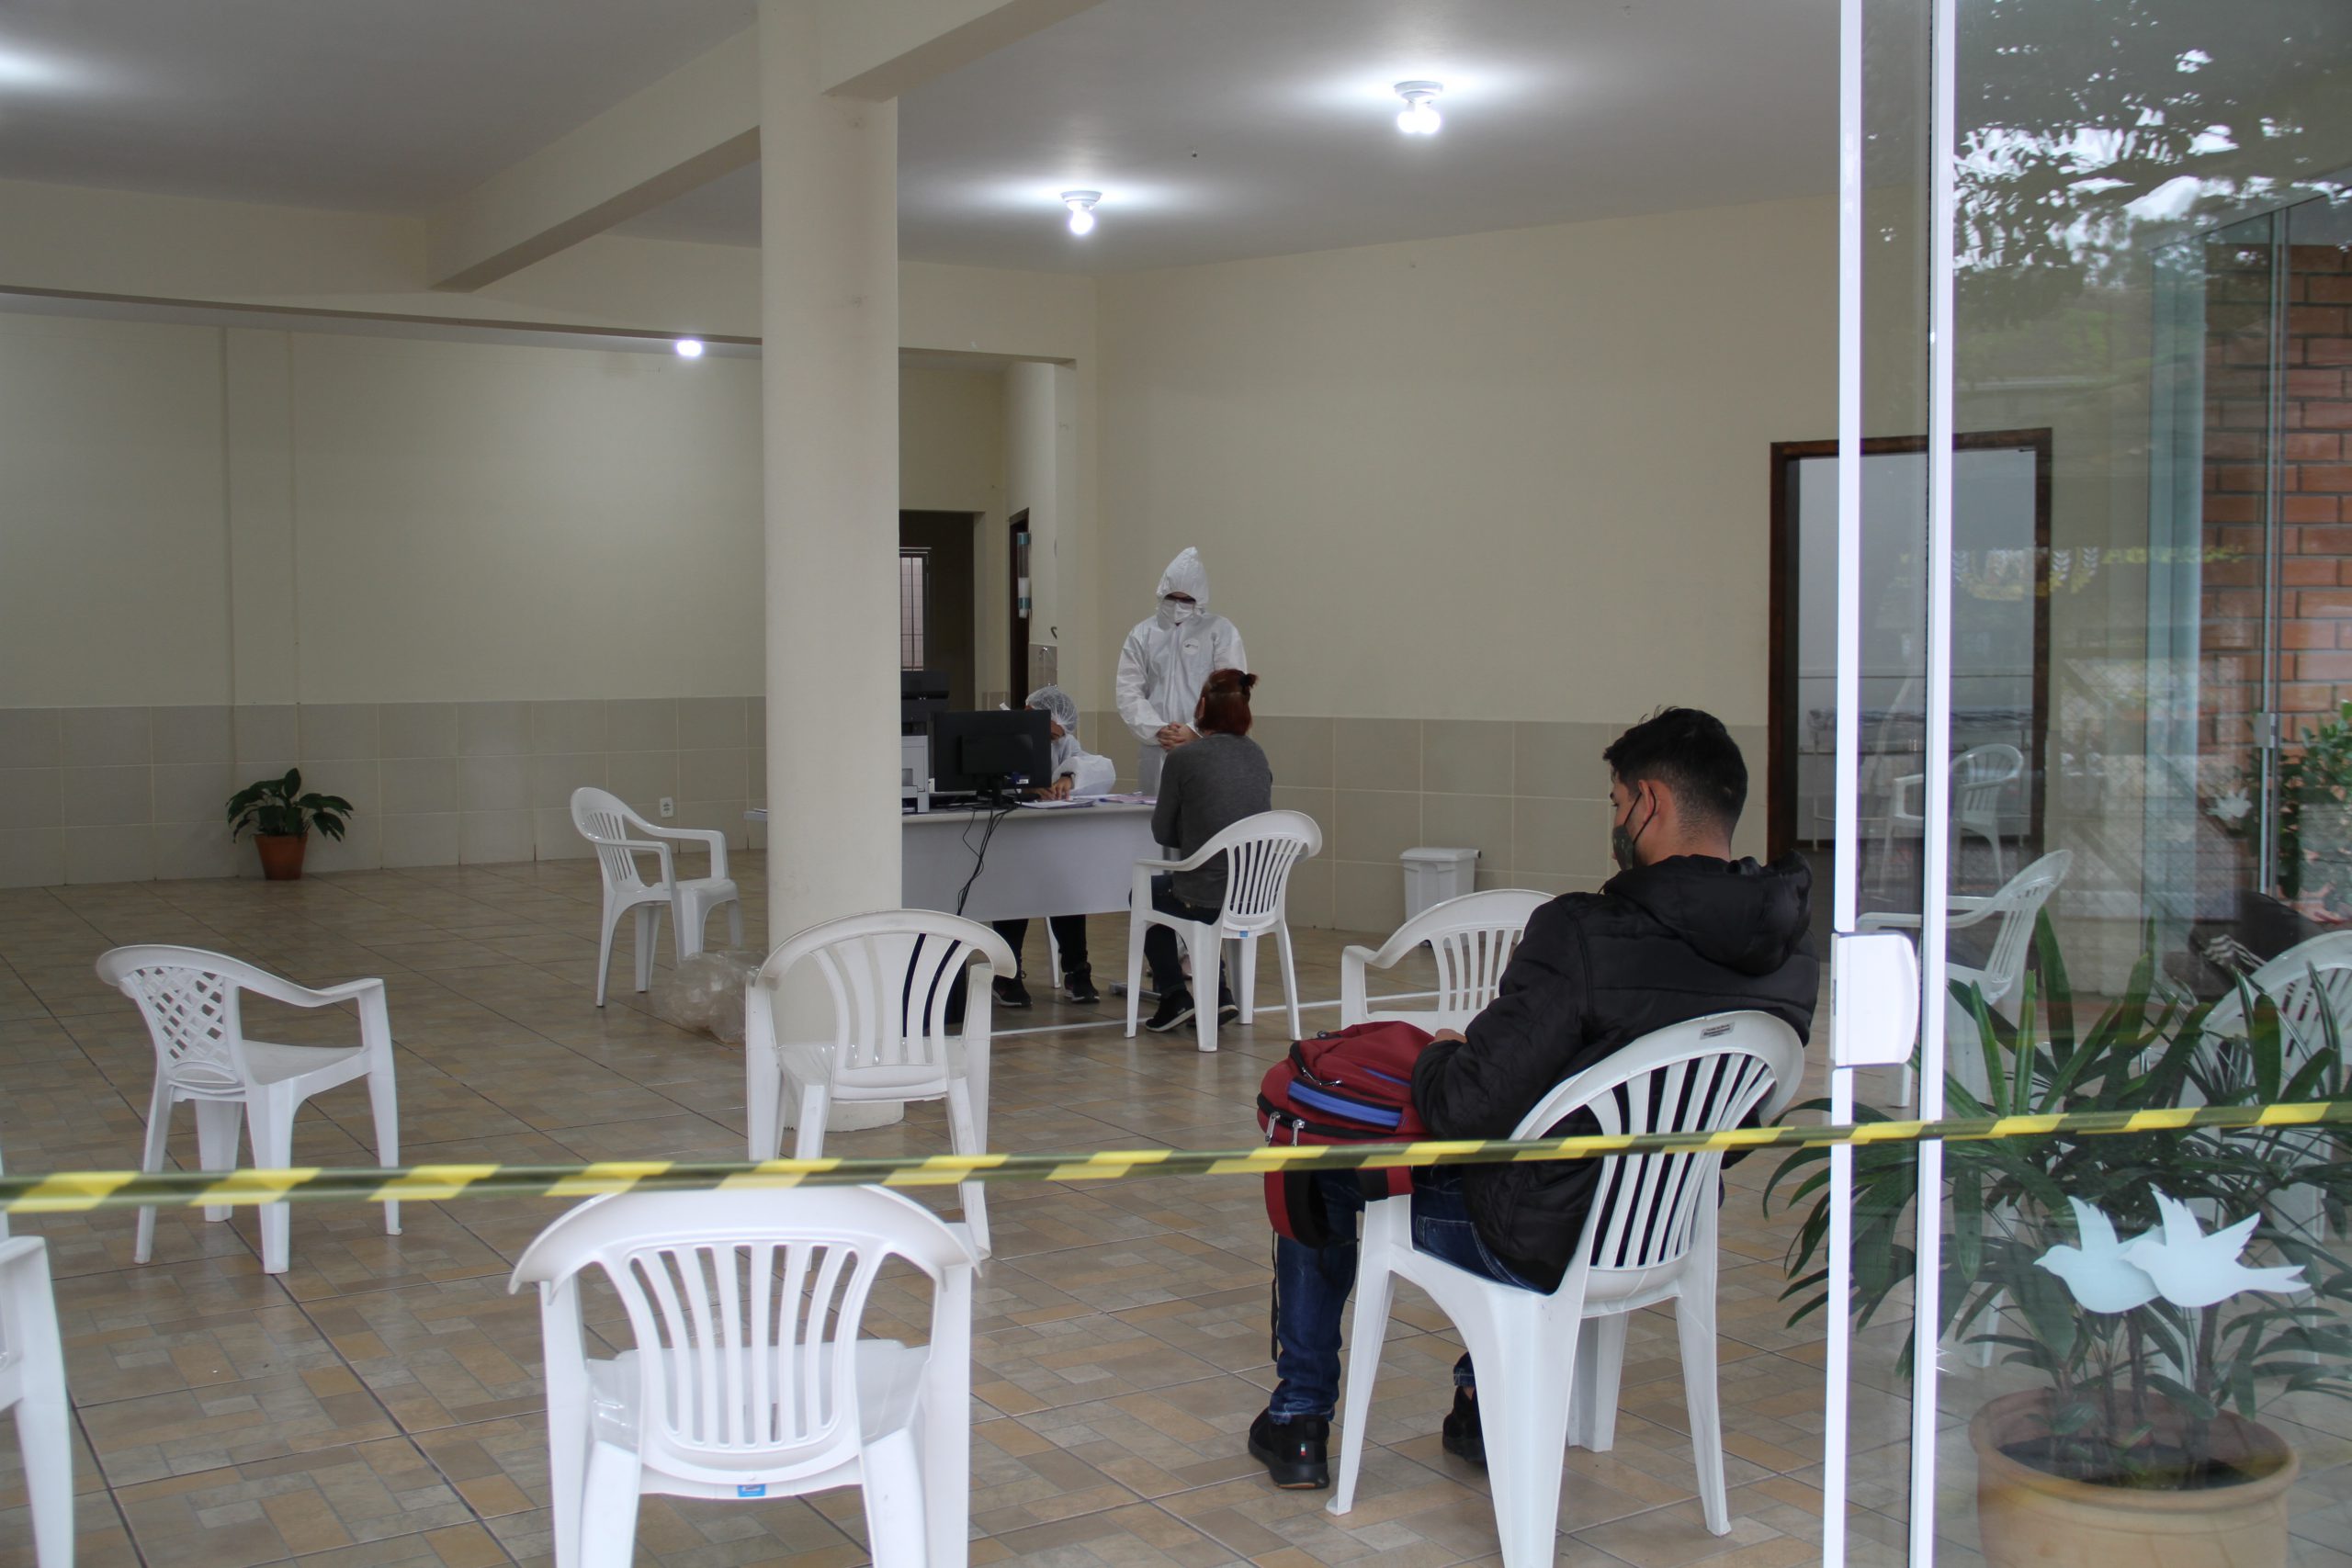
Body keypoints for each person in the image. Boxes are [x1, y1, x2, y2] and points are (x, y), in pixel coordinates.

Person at [1246, 708, 1819, 1490]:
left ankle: (1299, 1417)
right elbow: (1743, 1119)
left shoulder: (1584, 933)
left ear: (1649, 802)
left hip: (1540, 1231)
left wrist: (1443, 1049)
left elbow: (1461, 1109)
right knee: (1530, 1149)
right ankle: (1479, 1402)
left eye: (1616, 802)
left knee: (1314, 1163)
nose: (1613, 822)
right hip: (1665, 1222)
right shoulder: (1791, 952)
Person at [1143, 668, 1272, 1033]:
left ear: (1201, 706)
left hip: (1207, 895)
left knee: (1150, 894)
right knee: (1196, 891)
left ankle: (1174, 996)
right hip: (1257, 896)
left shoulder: (1184, 758)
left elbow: (1162, 832)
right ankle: (1218, 995)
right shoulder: (1257, 755)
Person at [991, 685, 1115, 1009]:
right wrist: (1026, 788)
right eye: (1048, 735)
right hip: (1007, 839)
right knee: (1013, 891)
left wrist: (1070, 778)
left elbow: (1102, 768)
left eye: (1056, 737)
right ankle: (1007, 973)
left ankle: (1077, 970)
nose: (1052, 741)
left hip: (1046, 837)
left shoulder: (1063, 743)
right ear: (1031, 711)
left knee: (1066, 888)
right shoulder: (999, 735)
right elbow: (988, 780)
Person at [1115, 547, 1248, 795]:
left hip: (1205, 746)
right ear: (1161, 594)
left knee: (1202, 807)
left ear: (1199, 599)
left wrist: (1195, 730)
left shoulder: (1220, 631)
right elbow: (1128, 691)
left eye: (1186, 600)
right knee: (1156, 813)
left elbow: (1231, 690)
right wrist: (1157, 730)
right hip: (1156, 747)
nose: (1178, 605)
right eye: (1171, 598)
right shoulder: (1142, 634)